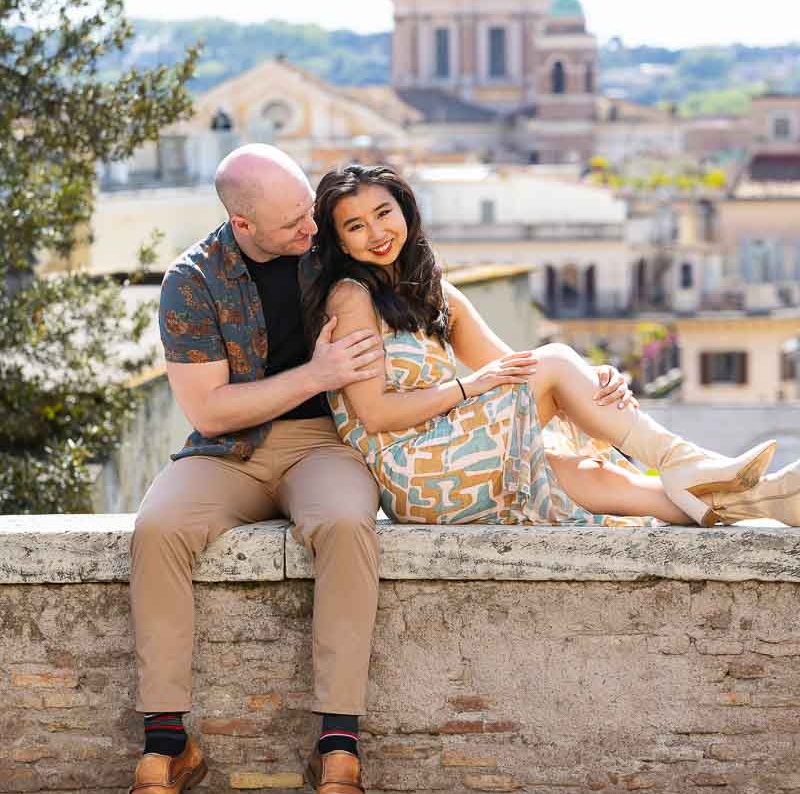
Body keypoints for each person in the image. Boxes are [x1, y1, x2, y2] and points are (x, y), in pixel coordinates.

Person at [120, 144, 636, 794]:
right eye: (292, 224)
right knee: (156, 530)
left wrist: (584, 378)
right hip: (229, 449)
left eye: (310, 211)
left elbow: (450, 319)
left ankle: (338, 746)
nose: (312, 230)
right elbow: (209, 411)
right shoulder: (192, 281)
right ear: (244, 225)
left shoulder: (336, 254)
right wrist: (317, 373)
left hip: (328, 448)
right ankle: (166, 746)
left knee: (343, 527)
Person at [303, 162, 800, 538]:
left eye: (383, 213)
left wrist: (591, 375)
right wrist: (465, 388)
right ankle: (687, 460)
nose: (377, 233)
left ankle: (767, 501)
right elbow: (373, 413)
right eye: (356, 226)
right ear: (342, 243)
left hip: (460, 453)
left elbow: (514, 366)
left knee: (588, 475)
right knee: (558, 363)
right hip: (415, 472)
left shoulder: (434, 292)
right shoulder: (352, 298)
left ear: (404, 212)